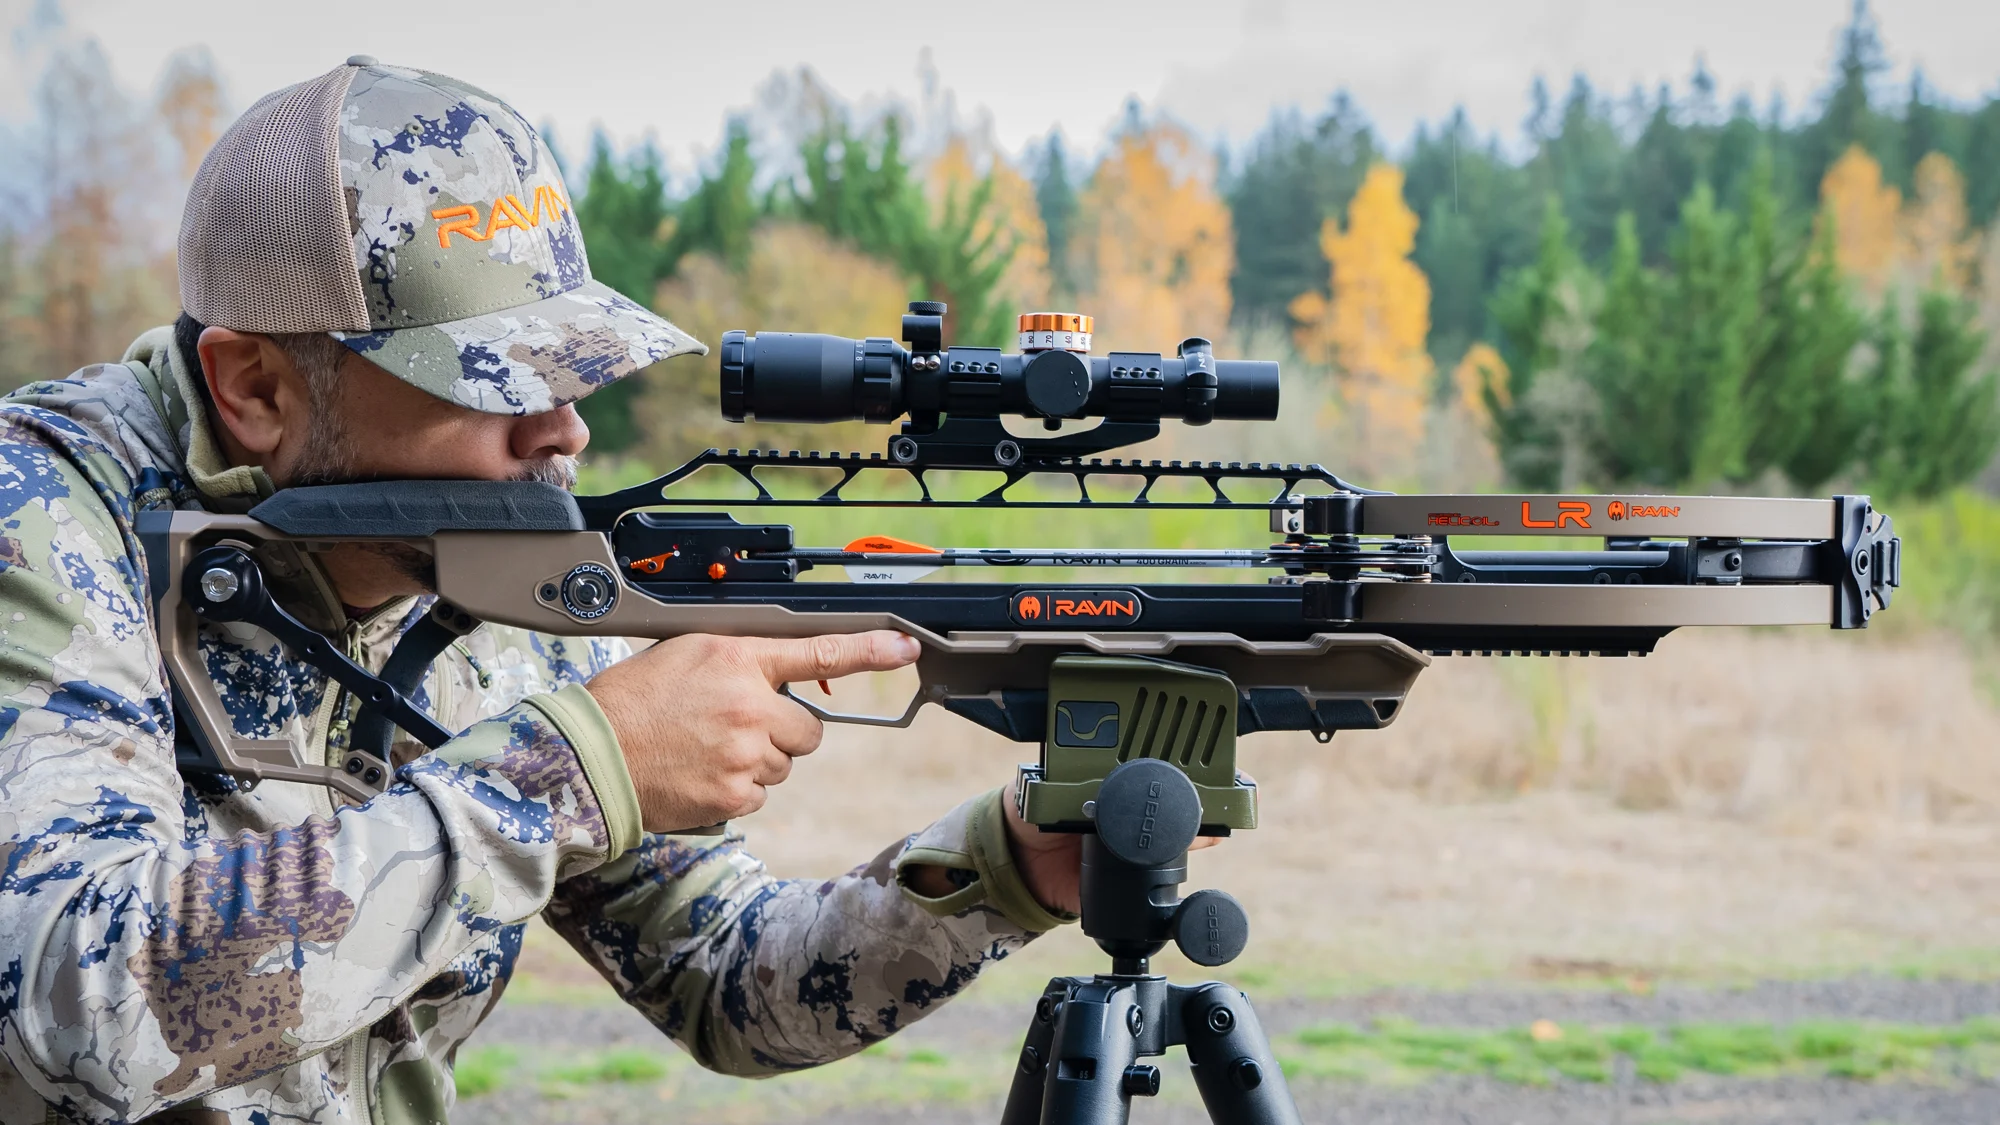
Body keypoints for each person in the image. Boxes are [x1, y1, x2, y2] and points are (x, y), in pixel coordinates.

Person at [0, 57, 1096, 1124]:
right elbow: (76, 1005)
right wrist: (566, 771)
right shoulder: (37, 523)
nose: (563, 429)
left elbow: (724, 977)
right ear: (255, 387)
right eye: (497, 381)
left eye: (573, 370)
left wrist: (1005, 864)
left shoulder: (495, 570)